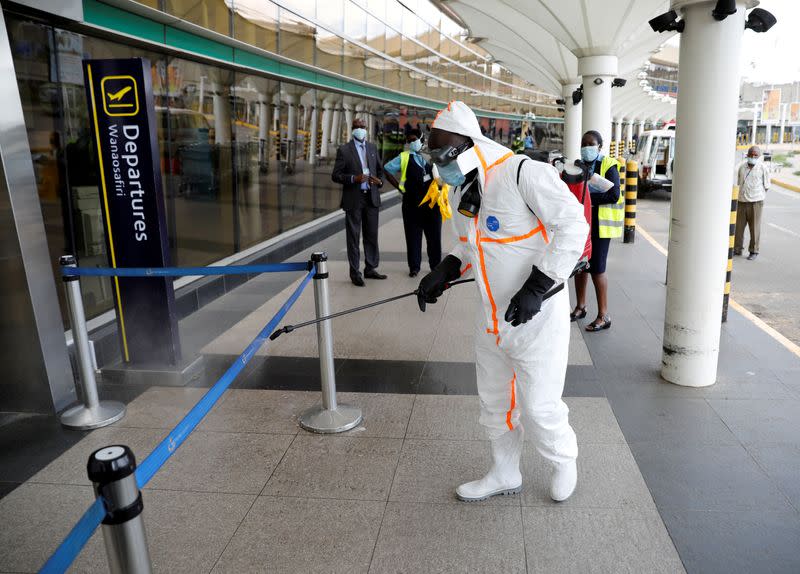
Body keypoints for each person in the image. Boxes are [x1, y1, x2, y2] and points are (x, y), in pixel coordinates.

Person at [417, 101, 589, 503]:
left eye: (442, 154)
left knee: (539, 404)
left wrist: (538, 283)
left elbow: (572, 224)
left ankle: (564, 459)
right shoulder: (464, 184)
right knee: (494, 399)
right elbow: (469, 243)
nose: (438, 165)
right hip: (491, 315)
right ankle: (504, 471)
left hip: (537, 315)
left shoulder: (522, 173)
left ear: (468, 146)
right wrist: (445, 270)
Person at [569, 130, 621, 332]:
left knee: (597, 269)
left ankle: (603, 316)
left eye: (590, 145)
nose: (586, 148)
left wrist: (587, 200)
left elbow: (614, 195)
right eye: (584, 144)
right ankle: (580, 307)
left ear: (599, 146)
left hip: (600, 226)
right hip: (581, 223)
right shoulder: (578, 165)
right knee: (580, 266)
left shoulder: (609, 165)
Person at [332, 118, 387, 286]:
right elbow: (336, 175)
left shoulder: (372, 147)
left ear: (366, 129)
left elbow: (379, 170)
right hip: (354, 199)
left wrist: (379, 182)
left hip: (371, 197)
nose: (360, 129)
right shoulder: (344, 150)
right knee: (353, 237)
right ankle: (355, 273)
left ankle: (370, 268)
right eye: (357, 127)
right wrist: (353, 178)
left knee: (371, 235)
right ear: (352, 129)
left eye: (363, 126)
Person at [384, 129, 442, 277]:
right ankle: (414, 267)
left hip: (432, 204)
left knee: (434, 237)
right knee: (412, 237)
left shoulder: (432, 156)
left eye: (414, 139)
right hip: (411, 204)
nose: (411, 143)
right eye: (409, 140)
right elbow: (387, 169)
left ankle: (435, 266)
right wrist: (399, 187)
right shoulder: (404, 157)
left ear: (422, 139)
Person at [735, 146, 770, 261]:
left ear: (759, 156)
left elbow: (767, 186)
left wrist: (758, 196)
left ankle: (754, 251)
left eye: (755, 155)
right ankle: (737, 249)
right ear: (747, 155)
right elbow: (738, 183)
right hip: (741, 201)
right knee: (738, 228)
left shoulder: (763, 168)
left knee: (754, 228)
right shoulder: (742, 167)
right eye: (751, 155)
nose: (753, 157)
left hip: (756, 202)